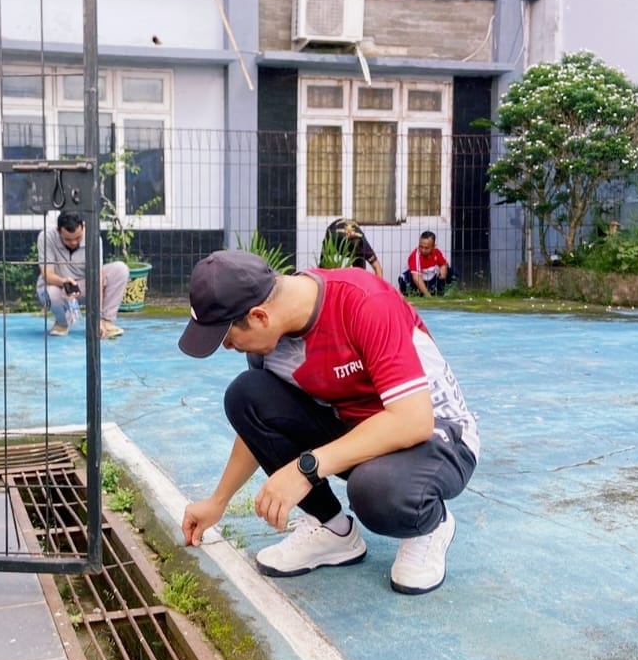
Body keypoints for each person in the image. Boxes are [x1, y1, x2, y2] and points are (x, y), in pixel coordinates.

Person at [178, 250, 479, 595]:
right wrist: (218, 501)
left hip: (439, 436)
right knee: (246, 394)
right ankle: (333, 530)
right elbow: (259, 425)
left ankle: (429, 524)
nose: (229, 348)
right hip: (360, 431)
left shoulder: (365, 303)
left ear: (259, 316)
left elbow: (414, 421)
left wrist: (305, 469)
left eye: (228, 340)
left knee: (375, 491)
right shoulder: (269, 346)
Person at [36, 211, 128, 339]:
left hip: (85, 285)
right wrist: (64, 282)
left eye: (78, 238)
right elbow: (47, 274)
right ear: (58, 231)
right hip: (58, 286)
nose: (73, 242)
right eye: (68, 239)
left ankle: (106, 321)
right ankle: (62, 322)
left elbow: (97, 277)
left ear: (83, 227)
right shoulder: (46, 237)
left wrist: (97, 318)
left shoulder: (93, 238)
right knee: (49, 293)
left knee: (120, 269)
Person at [400, 230, 453, 297]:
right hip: (417, 282)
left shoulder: (436, 252)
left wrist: (442, 275)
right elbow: (416, 277)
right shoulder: (415, 255)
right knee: (403, 278)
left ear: (433, 247)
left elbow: (444, 265)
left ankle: (443, 293)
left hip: (431, 280)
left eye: (426, 248)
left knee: (452, 272)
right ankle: (415, 294)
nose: (423, 250)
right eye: (421, 246)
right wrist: (428, 296)